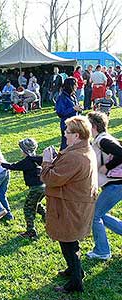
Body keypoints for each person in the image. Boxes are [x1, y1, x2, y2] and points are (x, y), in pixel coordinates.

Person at [41, 115, 98, 294]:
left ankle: (75, 283)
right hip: (75, 205)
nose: (65, 134)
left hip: (70, 207)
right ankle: (74, 271)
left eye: (68, 132)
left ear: (77, 135)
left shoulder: (76, 156)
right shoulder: (83, 150)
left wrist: (46, 161)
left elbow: (50, 178)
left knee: (68, 243)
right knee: (69, 241)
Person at [86, 111, 122, 260]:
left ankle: (102, 251)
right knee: (98, 213)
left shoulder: (103, 140)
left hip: (117, 185)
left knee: (94, 216)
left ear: (93, 126)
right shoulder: (100, 139)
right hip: (114, 185)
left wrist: (107, 167)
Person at [0, 138, 46, 238]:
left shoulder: (27, 161)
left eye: (21, 149)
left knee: (28, 208)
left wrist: (1, 163)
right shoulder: (36, 158)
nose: (20, 151)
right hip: (43, 187)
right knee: (35, 203)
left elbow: (14, 166)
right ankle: (47, 218)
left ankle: (31, 231)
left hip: (35, 188)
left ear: (25, 151)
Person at [55, 77, 82, 150]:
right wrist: (73, 109)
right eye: (75, 84)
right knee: (66, 145)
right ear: (70, 86)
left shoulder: (73, 96)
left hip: (75, 124)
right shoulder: (62, 97)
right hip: (66, 125)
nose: (77, 86)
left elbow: (76, 108)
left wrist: (79, 109)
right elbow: (60, 113)